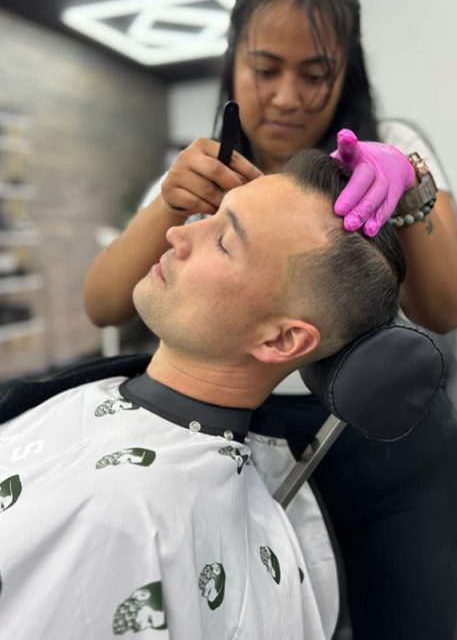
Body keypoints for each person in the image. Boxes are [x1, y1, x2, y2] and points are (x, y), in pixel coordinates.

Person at [83, 0, 457, 639]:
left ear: (346, 71)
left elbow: (443, 309)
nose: (287, 98)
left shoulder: (393, 148)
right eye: (265, 69)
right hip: (236, 446)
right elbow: (103, 303)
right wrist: (168, 208)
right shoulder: (202, 168)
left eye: (316, 75)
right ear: (234, 60)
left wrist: (409, 186)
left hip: (382, 444)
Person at [0, 151, 405, 640]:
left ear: (281, 340)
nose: (177, 233)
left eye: (224, 241)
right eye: (207, 215)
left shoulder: (124, 518)